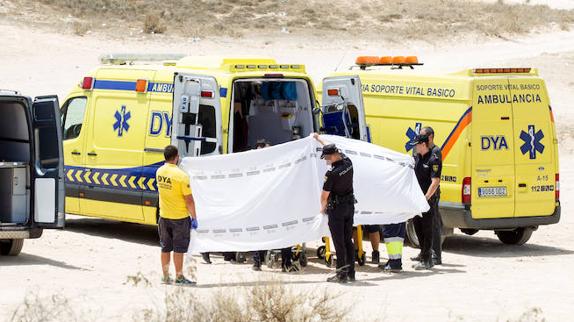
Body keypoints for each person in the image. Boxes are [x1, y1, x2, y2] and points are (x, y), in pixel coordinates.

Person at [314, 133, 356, 283]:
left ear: (332, 156)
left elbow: (324, 196)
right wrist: (318, 138)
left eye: (326, 158)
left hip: (337, 210)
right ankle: (351, 272)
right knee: (348, 241)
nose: (325, 161)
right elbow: (330, 146)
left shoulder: (332, 174)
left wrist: (321, 210)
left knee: (339, 243)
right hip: (349, 207)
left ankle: (341, 274)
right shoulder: (347, 161)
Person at [156, 145, 197, 285]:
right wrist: (194, 217)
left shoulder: (159, 172)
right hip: (179, 218)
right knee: (179, 249)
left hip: (163, 216)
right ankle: (179, 277)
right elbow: (189, 200)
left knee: (165, 247)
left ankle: (166, 276)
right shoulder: (182, 176)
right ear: (176, 157)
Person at [411, 126, 443, 265]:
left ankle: (429, 258)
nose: (415, 148)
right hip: (417, 199)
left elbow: (435, 181)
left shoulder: (434, 157)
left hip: (428, 199)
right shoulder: (417, 158)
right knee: (417, 227)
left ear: (423, 144)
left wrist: (426, 198)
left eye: (417, 145)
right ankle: (424, 254)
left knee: (428, 228)